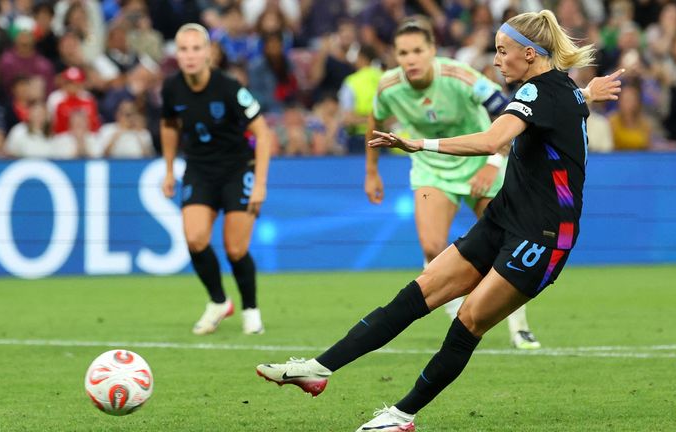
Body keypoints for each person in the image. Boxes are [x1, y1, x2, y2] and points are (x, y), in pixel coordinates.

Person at [256, 10, 623, 431]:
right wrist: (589, 92)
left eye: (502, 51)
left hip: (543, 236)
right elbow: (567, 101)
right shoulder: (564, 90)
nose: (496, 59)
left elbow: (492, 140)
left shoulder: (538, 93)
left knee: (468, 320)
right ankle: (318, 368)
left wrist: (420, 144)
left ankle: (400, 416)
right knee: (417, 293)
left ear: (529, 53)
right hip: (504, 218)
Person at [363, 16, 607, 349]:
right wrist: (371, 171)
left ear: (433, 51)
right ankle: (455, 311)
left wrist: (494, 163)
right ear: (395, 55)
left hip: (481, 161)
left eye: (418, 50)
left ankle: (518, 325)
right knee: (432, 247)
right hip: (433, 166)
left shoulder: (460, 76)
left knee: (511, 240)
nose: (411, 59)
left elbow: (512, 112)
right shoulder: (388, 87)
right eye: (403, 53)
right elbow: (374, 121)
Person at [160, 23, 273, 336]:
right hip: (199, 170)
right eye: (183, 49)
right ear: (177, 54)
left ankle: (250, 309)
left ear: (209, 53)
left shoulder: (229, 87)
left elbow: (263, 134)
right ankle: (219, 302)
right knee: (195, 239)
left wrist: (260, 183)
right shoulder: (171, 88)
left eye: (196, 49)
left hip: (237, 170)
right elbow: (169, 125)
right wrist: (168, 169)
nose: (190, 55)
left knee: (235, 249)